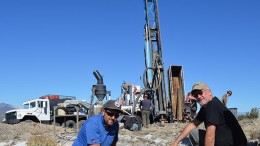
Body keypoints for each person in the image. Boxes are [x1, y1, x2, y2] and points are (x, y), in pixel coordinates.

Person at [171, 82, 247, 146]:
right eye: (196, 95)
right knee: (193, 132)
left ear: (209, 92)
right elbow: (192, 125)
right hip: (225, 140)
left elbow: (210, 134)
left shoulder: (213, 105)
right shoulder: (205, 107)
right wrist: (175, 143)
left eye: (200, 92)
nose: (199, 96)